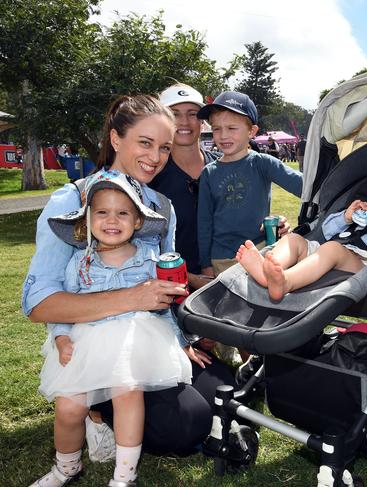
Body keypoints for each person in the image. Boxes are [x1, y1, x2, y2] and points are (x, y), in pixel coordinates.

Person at [22, 95, 235, 471]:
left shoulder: (160, 207)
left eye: (164, 147)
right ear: (116, 139)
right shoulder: (72, 200)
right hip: (91, 342)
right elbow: (39, 303)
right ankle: (97, 412)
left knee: (225, 389)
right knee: (184, 426)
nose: (155, 157)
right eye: (145, 143)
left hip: (146, 339)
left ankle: (113, 410)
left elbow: (165, 286)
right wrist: (132, 297)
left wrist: (178, 341)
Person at [31, 171, 193, 487]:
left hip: (136, 338)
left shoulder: (149, 257)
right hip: (87, 339)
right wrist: (62, 337)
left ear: (136, 222)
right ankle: (66, 467)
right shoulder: (79, 262)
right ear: (88, 220)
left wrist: (181, 340)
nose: (112, 220)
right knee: (68, 406)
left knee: (126, 391)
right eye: (102, 212)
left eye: (122, 213)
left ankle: (124, 476)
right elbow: (64, 305)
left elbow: (165, 303)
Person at [236, 159, 367, 301]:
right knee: (293, 239)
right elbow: (326, 230)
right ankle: (266, 271)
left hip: (364, 264)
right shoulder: (366, 208)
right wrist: (346, 217)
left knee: (332, 249)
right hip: (328, 251)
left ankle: (285, 282)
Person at [196, 91, 302, 277]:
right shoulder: (208, 173)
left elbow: (304, 186)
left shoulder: (263, 163)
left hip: (260, 251)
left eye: (231, 128)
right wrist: (206, 263)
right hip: (222, 259)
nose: (223, 135)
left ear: (251, 131)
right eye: (216, 129)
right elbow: (204, 222)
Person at [149, 83, 217, 291]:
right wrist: (190, 278)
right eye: (175, 114)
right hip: (174, 291)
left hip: (232, 277)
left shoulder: (225, 167)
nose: (184, 122)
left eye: (192, 113)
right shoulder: (151, 175)